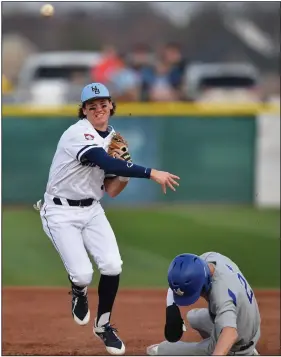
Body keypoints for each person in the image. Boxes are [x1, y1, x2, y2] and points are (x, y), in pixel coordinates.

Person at [36, 82, 180, 356]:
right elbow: (107, 163)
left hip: (92, 210)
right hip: (60, 211)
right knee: (82, 274)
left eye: (103, 104)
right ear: (84, 111)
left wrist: (124, 174)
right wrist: (150, 172)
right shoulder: (77, 134)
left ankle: (103, 325)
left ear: (111, 106)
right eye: (92, 106)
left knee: (113, 266)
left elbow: (112, 190)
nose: (99, 109)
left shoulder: (115, 138)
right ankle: (78, 290)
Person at [147, 252, 261, 356]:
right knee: (193, 316)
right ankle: (214, 342)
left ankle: (238, 352)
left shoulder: (222, 296)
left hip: (238, 343)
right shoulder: (208, 260)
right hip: (246, 319)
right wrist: (171, 308)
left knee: (164, 350)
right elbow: (180, 279)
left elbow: (230, 333)